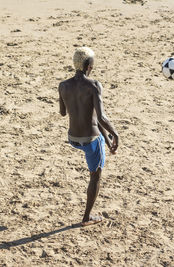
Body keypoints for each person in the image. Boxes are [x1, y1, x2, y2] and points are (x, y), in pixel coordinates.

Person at [58, 47, 119, 226]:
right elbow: (101, 118)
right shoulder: (94, 85)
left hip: (73, 138)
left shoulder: (63, 85)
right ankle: (87, 217)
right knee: (95, 176)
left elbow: (63, 113)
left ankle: (106, 144)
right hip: (90, 140)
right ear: (88, 66)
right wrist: (115, 133)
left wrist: (108, 142)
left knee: (96, 133)